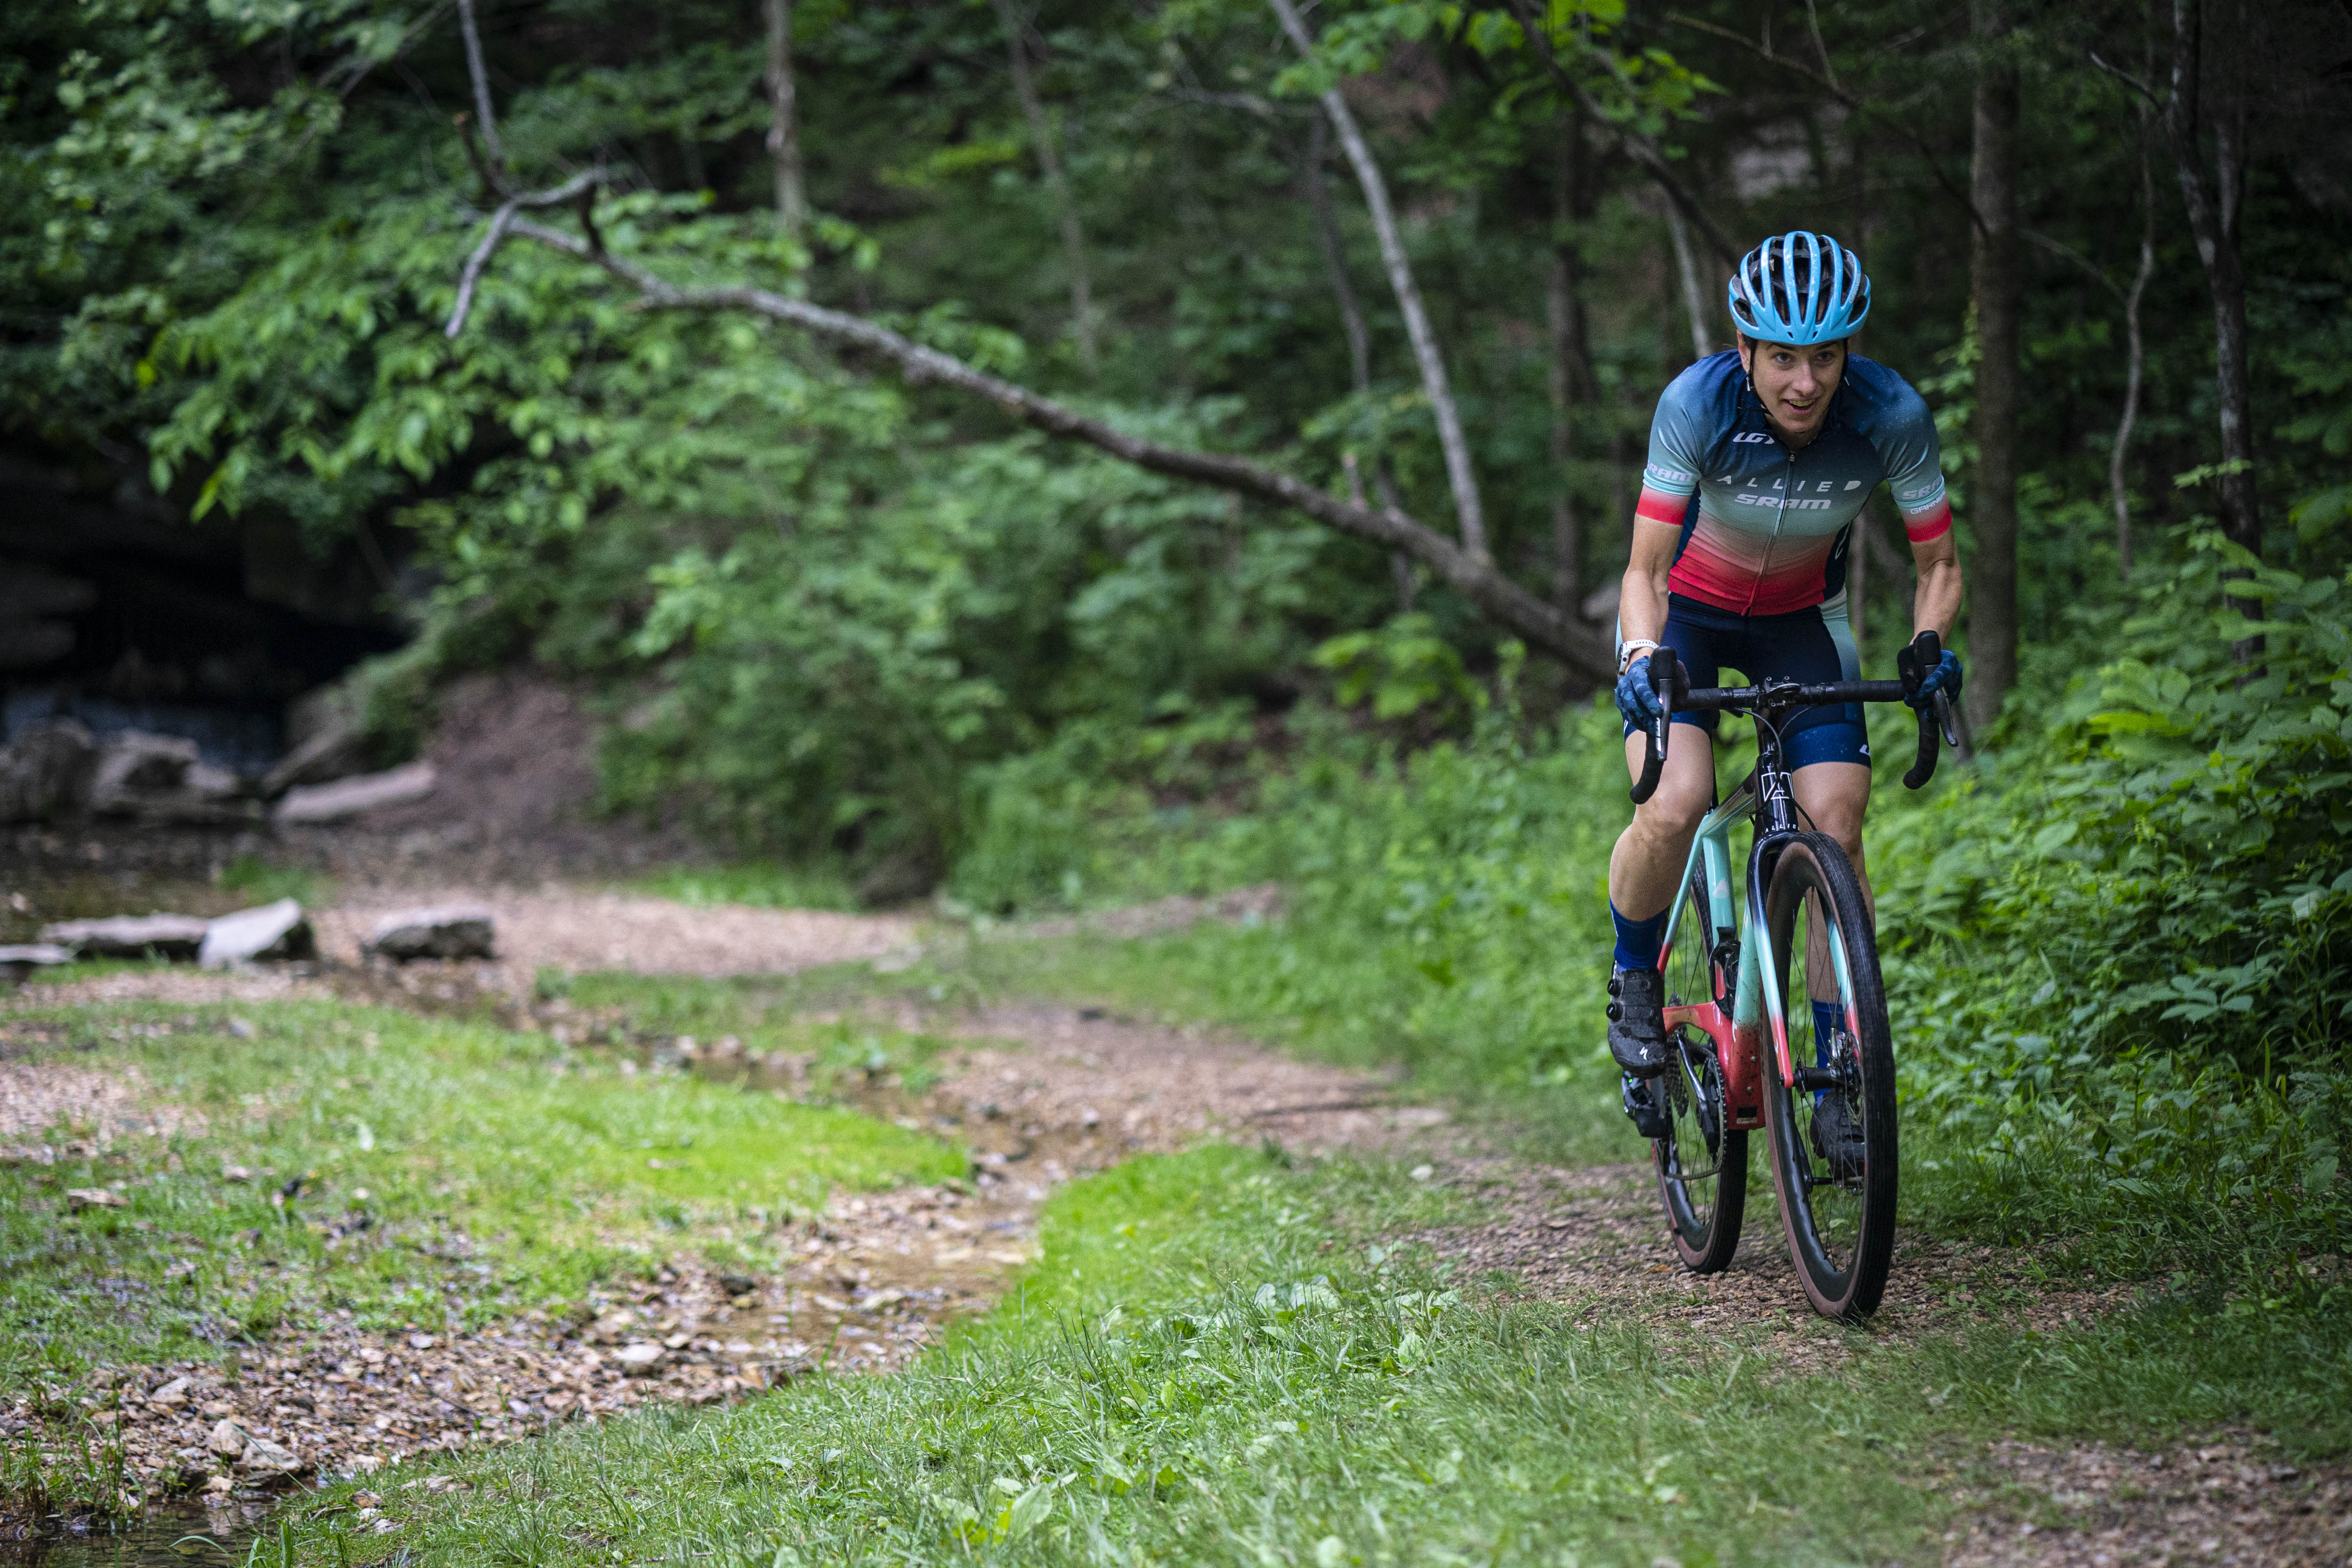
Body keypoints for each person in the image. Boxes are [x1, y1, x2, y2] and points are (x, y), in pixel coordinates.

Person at [1605, 231, 1964, 1157]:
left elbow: (1940, 564)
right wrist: (1642, 655)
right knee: (1678, 798)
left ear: (1850, 352)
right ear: (1745, 350)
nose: (1803, 381)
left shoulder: (1890, 414)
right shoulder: (1696, 404)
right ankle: (1633, 978)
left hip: (1802, 619)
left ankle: (1842, 1064)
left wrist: (1929, 643)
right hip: (1684, 616)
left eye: (1824, 357)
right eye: (1781, 358)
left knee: (1835, 819)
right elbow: (1643, 568)